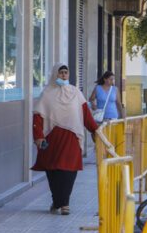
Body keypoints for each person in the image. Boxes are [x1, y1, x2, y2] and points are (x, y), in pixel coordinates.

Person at [32, 64, 100, 215]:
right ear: (55, 75)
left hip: (72, 137)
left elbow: (86, 115)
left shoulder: (76, 93)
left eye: (66, 72)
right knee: (53, 171)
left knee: (69, 170)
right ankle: (57, 202)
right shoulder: (47, 94)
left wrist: (95, 130)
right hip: (52, 139)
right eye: (61, 72)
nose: (63, 75)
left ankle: (65, 204)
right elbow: (38, 117)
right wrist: (38, 136)